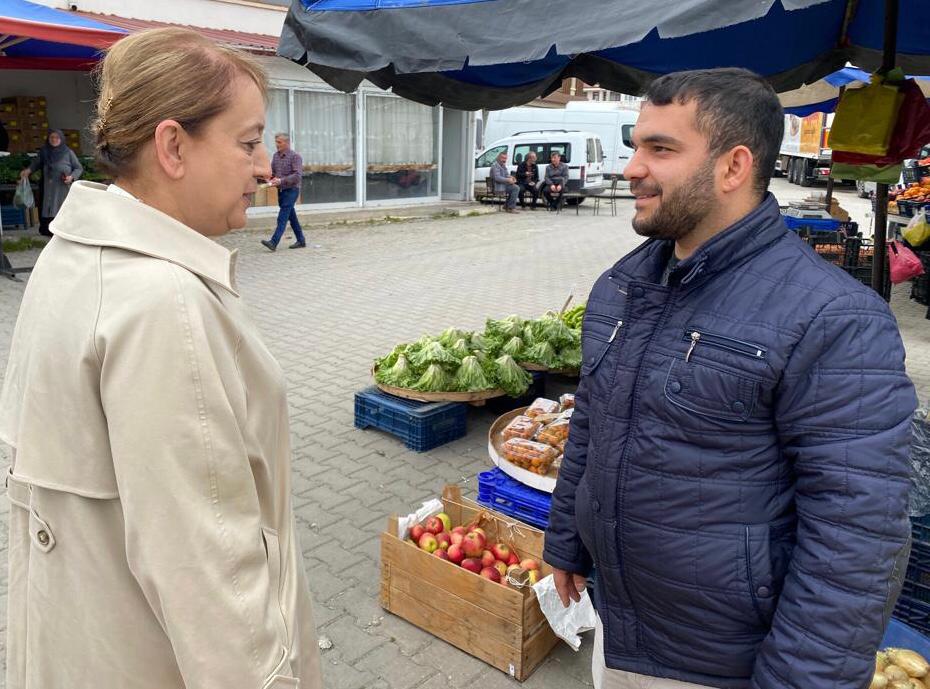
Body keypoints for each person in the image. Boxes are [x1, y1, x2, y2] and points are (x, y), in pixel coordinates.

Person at [543, 68, 916, 689]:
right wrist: (566, 541)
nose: (632, 167)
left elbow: (857, 533)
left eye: (660, 149)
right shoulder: (624, 285)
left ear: (733, 166)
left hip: (726, 662)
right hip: (620, 627)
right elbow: (593, 422)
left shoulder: (833, 317)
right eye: (637, 145)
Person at [0, 27, 322, 689]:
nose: (264, 167)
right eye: (248, 141)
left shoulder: (68, 258)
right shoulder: (163, 304)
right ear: (173, 146)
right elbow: (211, 581)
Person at [19, 128, 83, 236]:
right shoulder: (44, 151)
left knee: (60, 206)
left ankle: (61, 231)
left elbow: (78, 168)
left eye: (57, 137)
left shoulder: (68, 152)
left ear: (61, 139)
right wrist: (28, 171)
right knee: (47, 206)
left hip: (61, 186)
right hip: (47, 185)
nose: (54, 140)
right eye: (52, 137)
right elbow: (36, 164)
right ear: (48, 138)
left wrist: (71, 177)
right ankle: (47, 230)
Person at [261, 132, 306, 251]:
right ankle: (301, 240)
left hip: (292, 190)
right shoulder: (276, 156)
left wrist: (281, 180)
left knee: (282, 216)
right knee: (292, 217)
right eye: (276, 142)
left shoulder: (295, 157)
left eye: (279, 142)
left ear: (287, 143)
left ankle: (273, 242)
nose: (276, 145)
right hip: (281, 191)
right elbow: (273, 174)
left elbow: (297, 175)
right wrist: (269, 179)